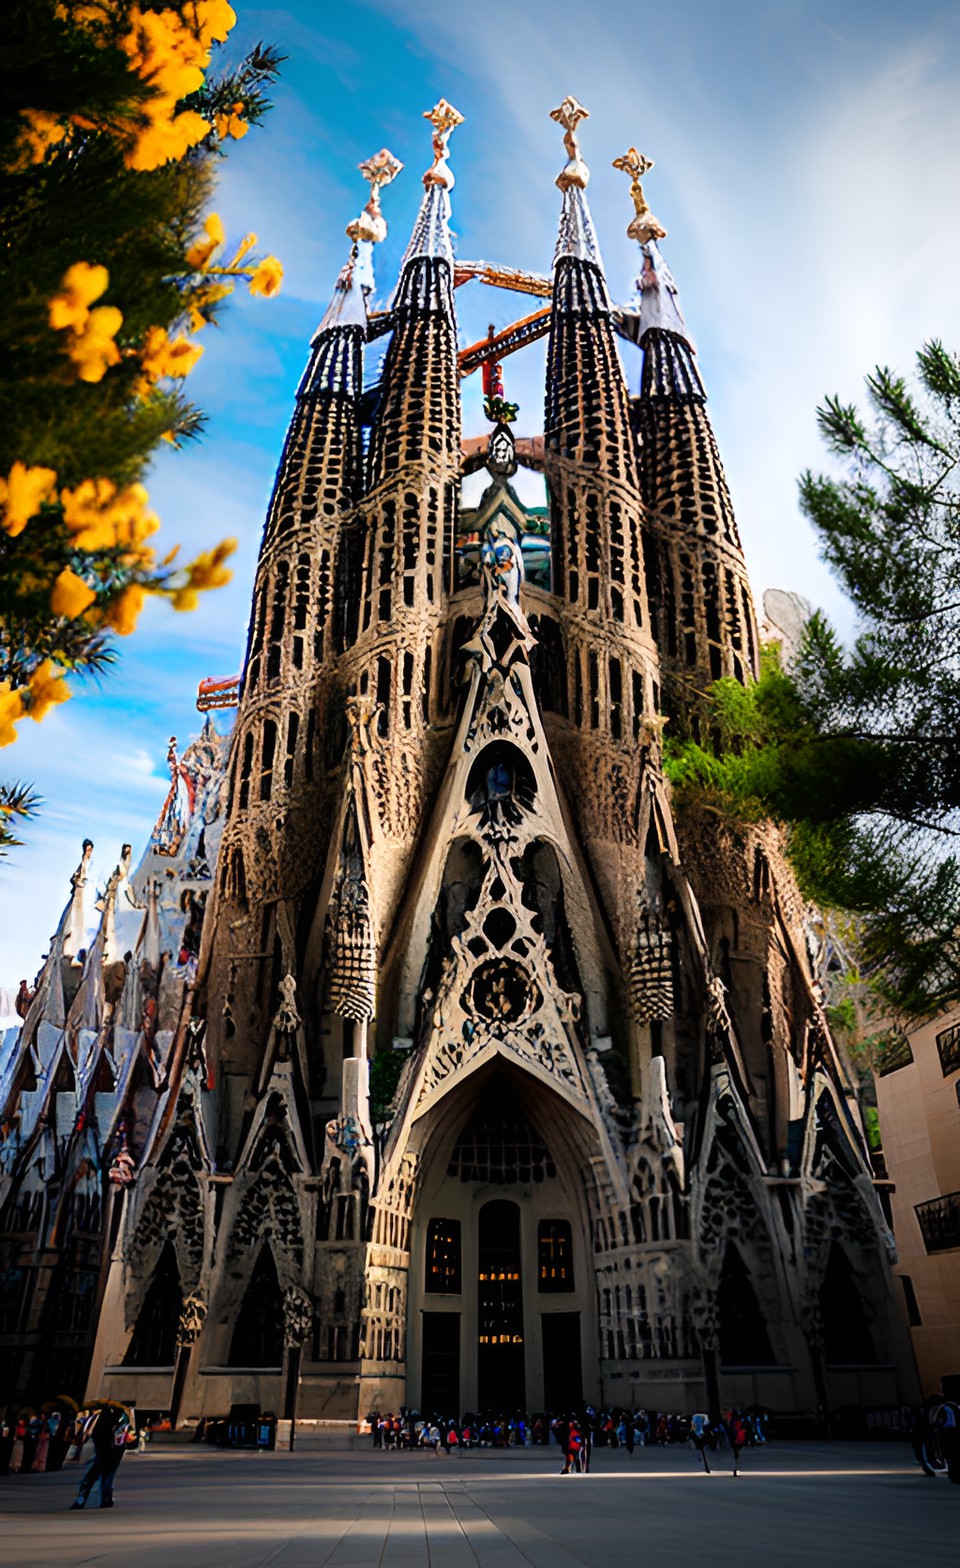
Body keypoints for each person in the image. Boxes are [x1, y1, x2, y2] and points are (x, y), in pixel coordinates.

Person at [70, 1406, 129, 1509]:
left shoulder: (103, 1415)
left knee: (96, 1473)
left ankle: (83, 1499)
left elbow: (96, 1434)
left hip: (105, 1448)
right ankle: (106, 1498)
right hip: (115, 1449)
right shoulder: (122, 1414)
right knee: (107, 1473)